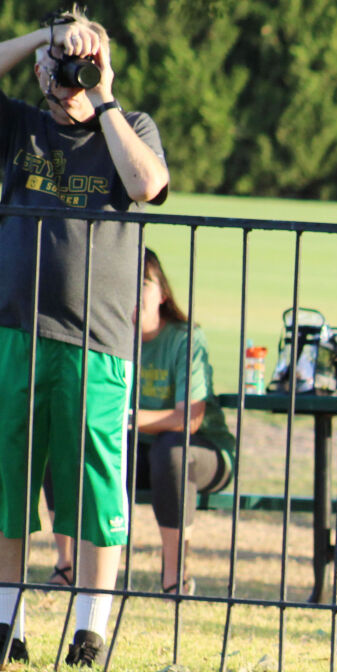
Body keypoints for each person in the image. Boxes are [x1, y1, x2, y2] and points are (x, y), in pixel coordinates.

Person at [0, 7, 170, 668]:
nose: (67, 76)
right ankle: (7, 626)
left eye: (77, 62)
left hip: (98, 339)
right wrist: (41, 39)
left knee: (95, 484)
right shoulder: (23, 127)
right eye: (57, 64)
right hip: (13, 330)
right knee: (4, 476)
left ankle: (89, 629)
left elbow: (148, 185)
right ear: (37, 68)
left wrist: (104, 94)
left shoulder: (131, 128)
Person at [45, 249, 236, 595]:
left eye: (144, 283)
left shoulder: (184, 338)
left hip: (201, 453)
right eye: (125, 283)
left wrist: (124, 418)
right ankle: (66, 565)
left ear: (162, 293)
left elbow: (190, 419)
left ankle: (175, 576)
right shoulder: (105, 337)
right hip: (133, 450)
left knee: (171, 451)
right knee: (61, 443)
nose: (134, 292)